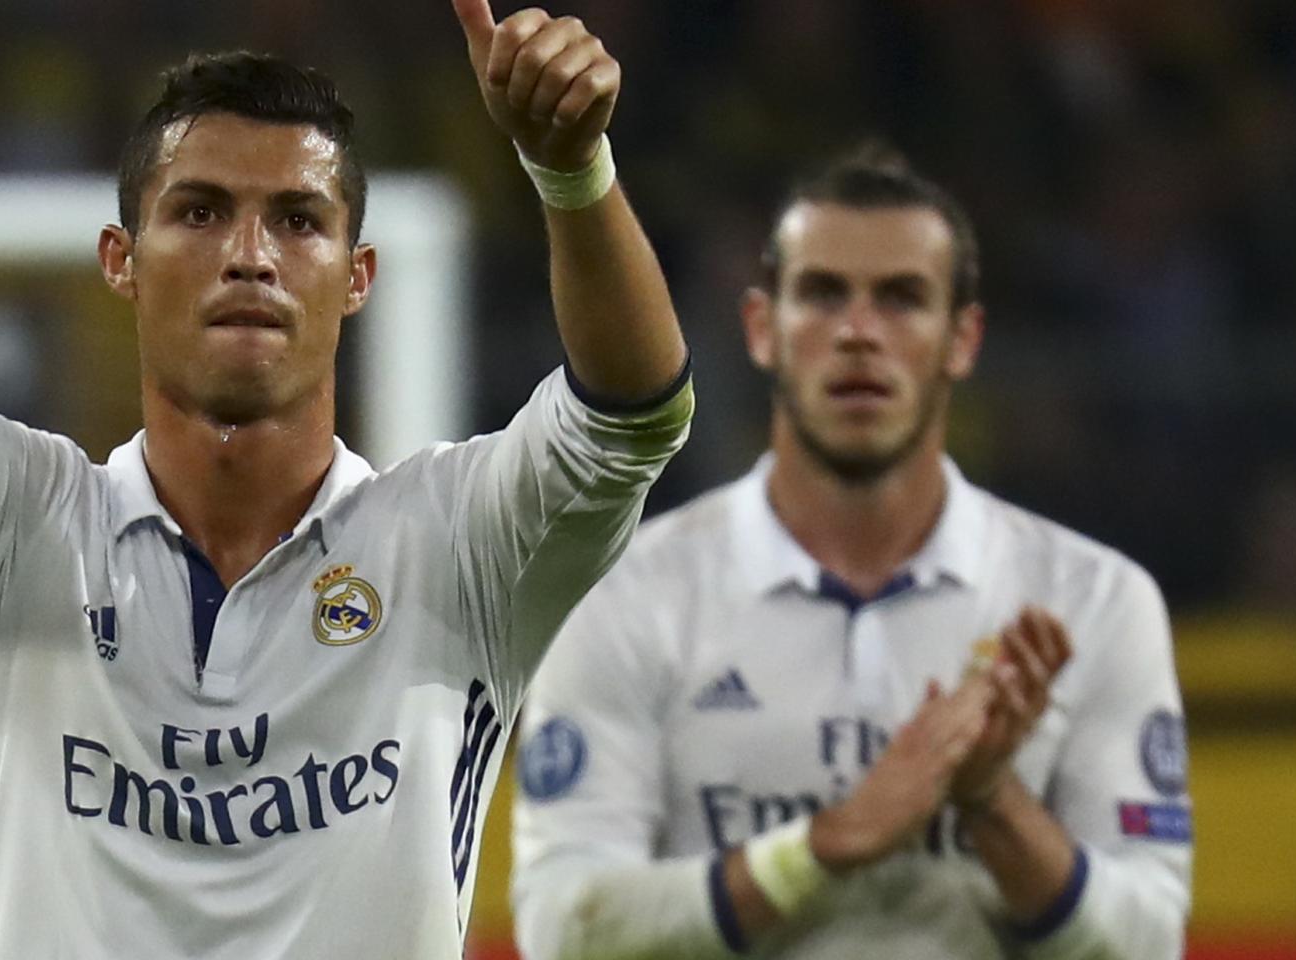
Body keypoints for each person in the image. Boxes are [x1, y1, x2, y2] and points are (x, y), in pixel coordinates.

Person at [0, 0, 692, 956]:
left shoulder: (451, 541)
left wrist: (570, 170)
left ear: (357, 278)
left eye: (298, 220)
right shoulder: (14, 525)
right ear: (122, 261)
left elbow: (632, 419)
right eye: (201, 211)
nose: (251, 257)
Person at [510, 146, 1191, 959]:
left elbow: (1150, 938)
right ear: (763, 328)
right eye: (824, 294)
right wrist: (824, 845)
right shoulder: (627, 596)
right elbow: (561, 927)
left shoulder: (1094, 602)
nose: (859, 332)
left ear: (962, 339)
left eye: (902, 299)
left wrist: (991, 802)